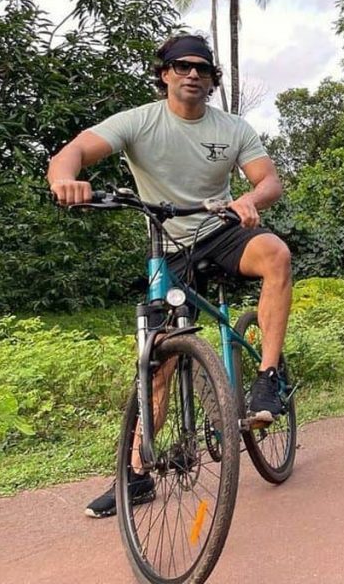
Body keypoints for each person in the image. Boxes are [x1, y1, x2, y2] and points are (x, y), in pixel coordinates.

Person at [47, 33, 293, 517]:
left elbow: (269, 179)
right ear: (165, 74)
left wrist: (249, 199)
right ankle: (138, 475)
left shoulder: (233, 128)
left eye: (202, 68)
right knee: (157, 364)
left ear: (211, 79)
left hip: (221, 232)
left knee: (277, 255)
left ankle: (267, 376)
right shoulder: (139, 122)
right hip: (168, 243)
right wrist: (64, 180)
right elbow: (72, 151)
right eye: (182, 66)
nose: (193, 75)